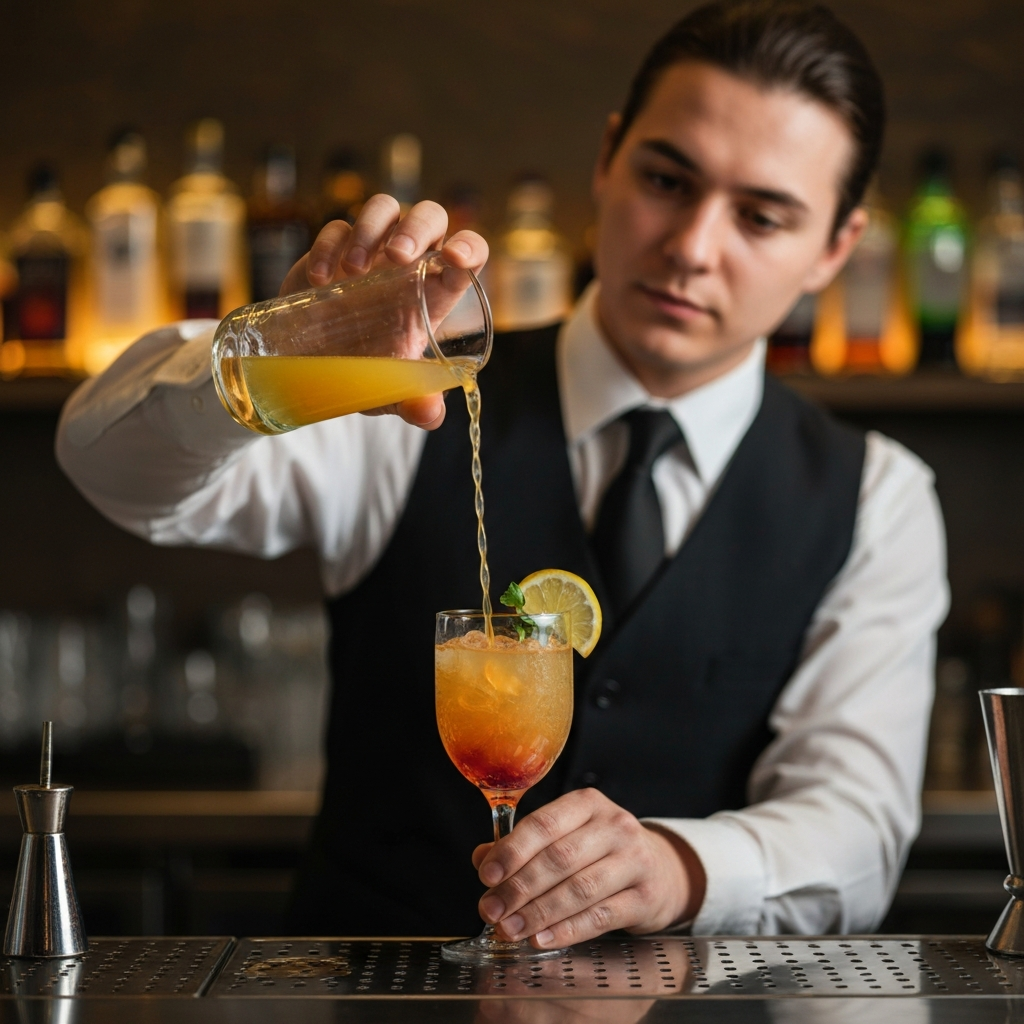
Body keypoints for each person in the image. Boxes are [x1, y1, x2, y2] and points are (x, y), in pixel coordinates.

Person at [57, 0, 947, 943]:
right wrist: (281, 356)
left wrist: (680, 868)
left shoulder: (877, 499)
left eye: (761, 217)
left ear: (836, 248)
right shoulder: (408, 397)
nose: (692, 248)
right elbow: (107, 464)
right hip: (380, 999)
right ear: (607, 159)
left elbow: (858, 827)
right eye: (665, 179)